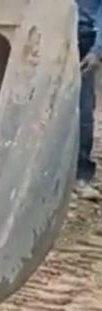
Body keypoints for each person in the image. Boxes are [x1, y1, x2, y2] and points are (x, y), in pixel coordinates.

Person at [76, 0, 102, 200]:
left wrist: (97, 51)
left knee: (83, 110)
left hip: (85, 39)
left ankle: (80, 175)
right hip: (48, 32)